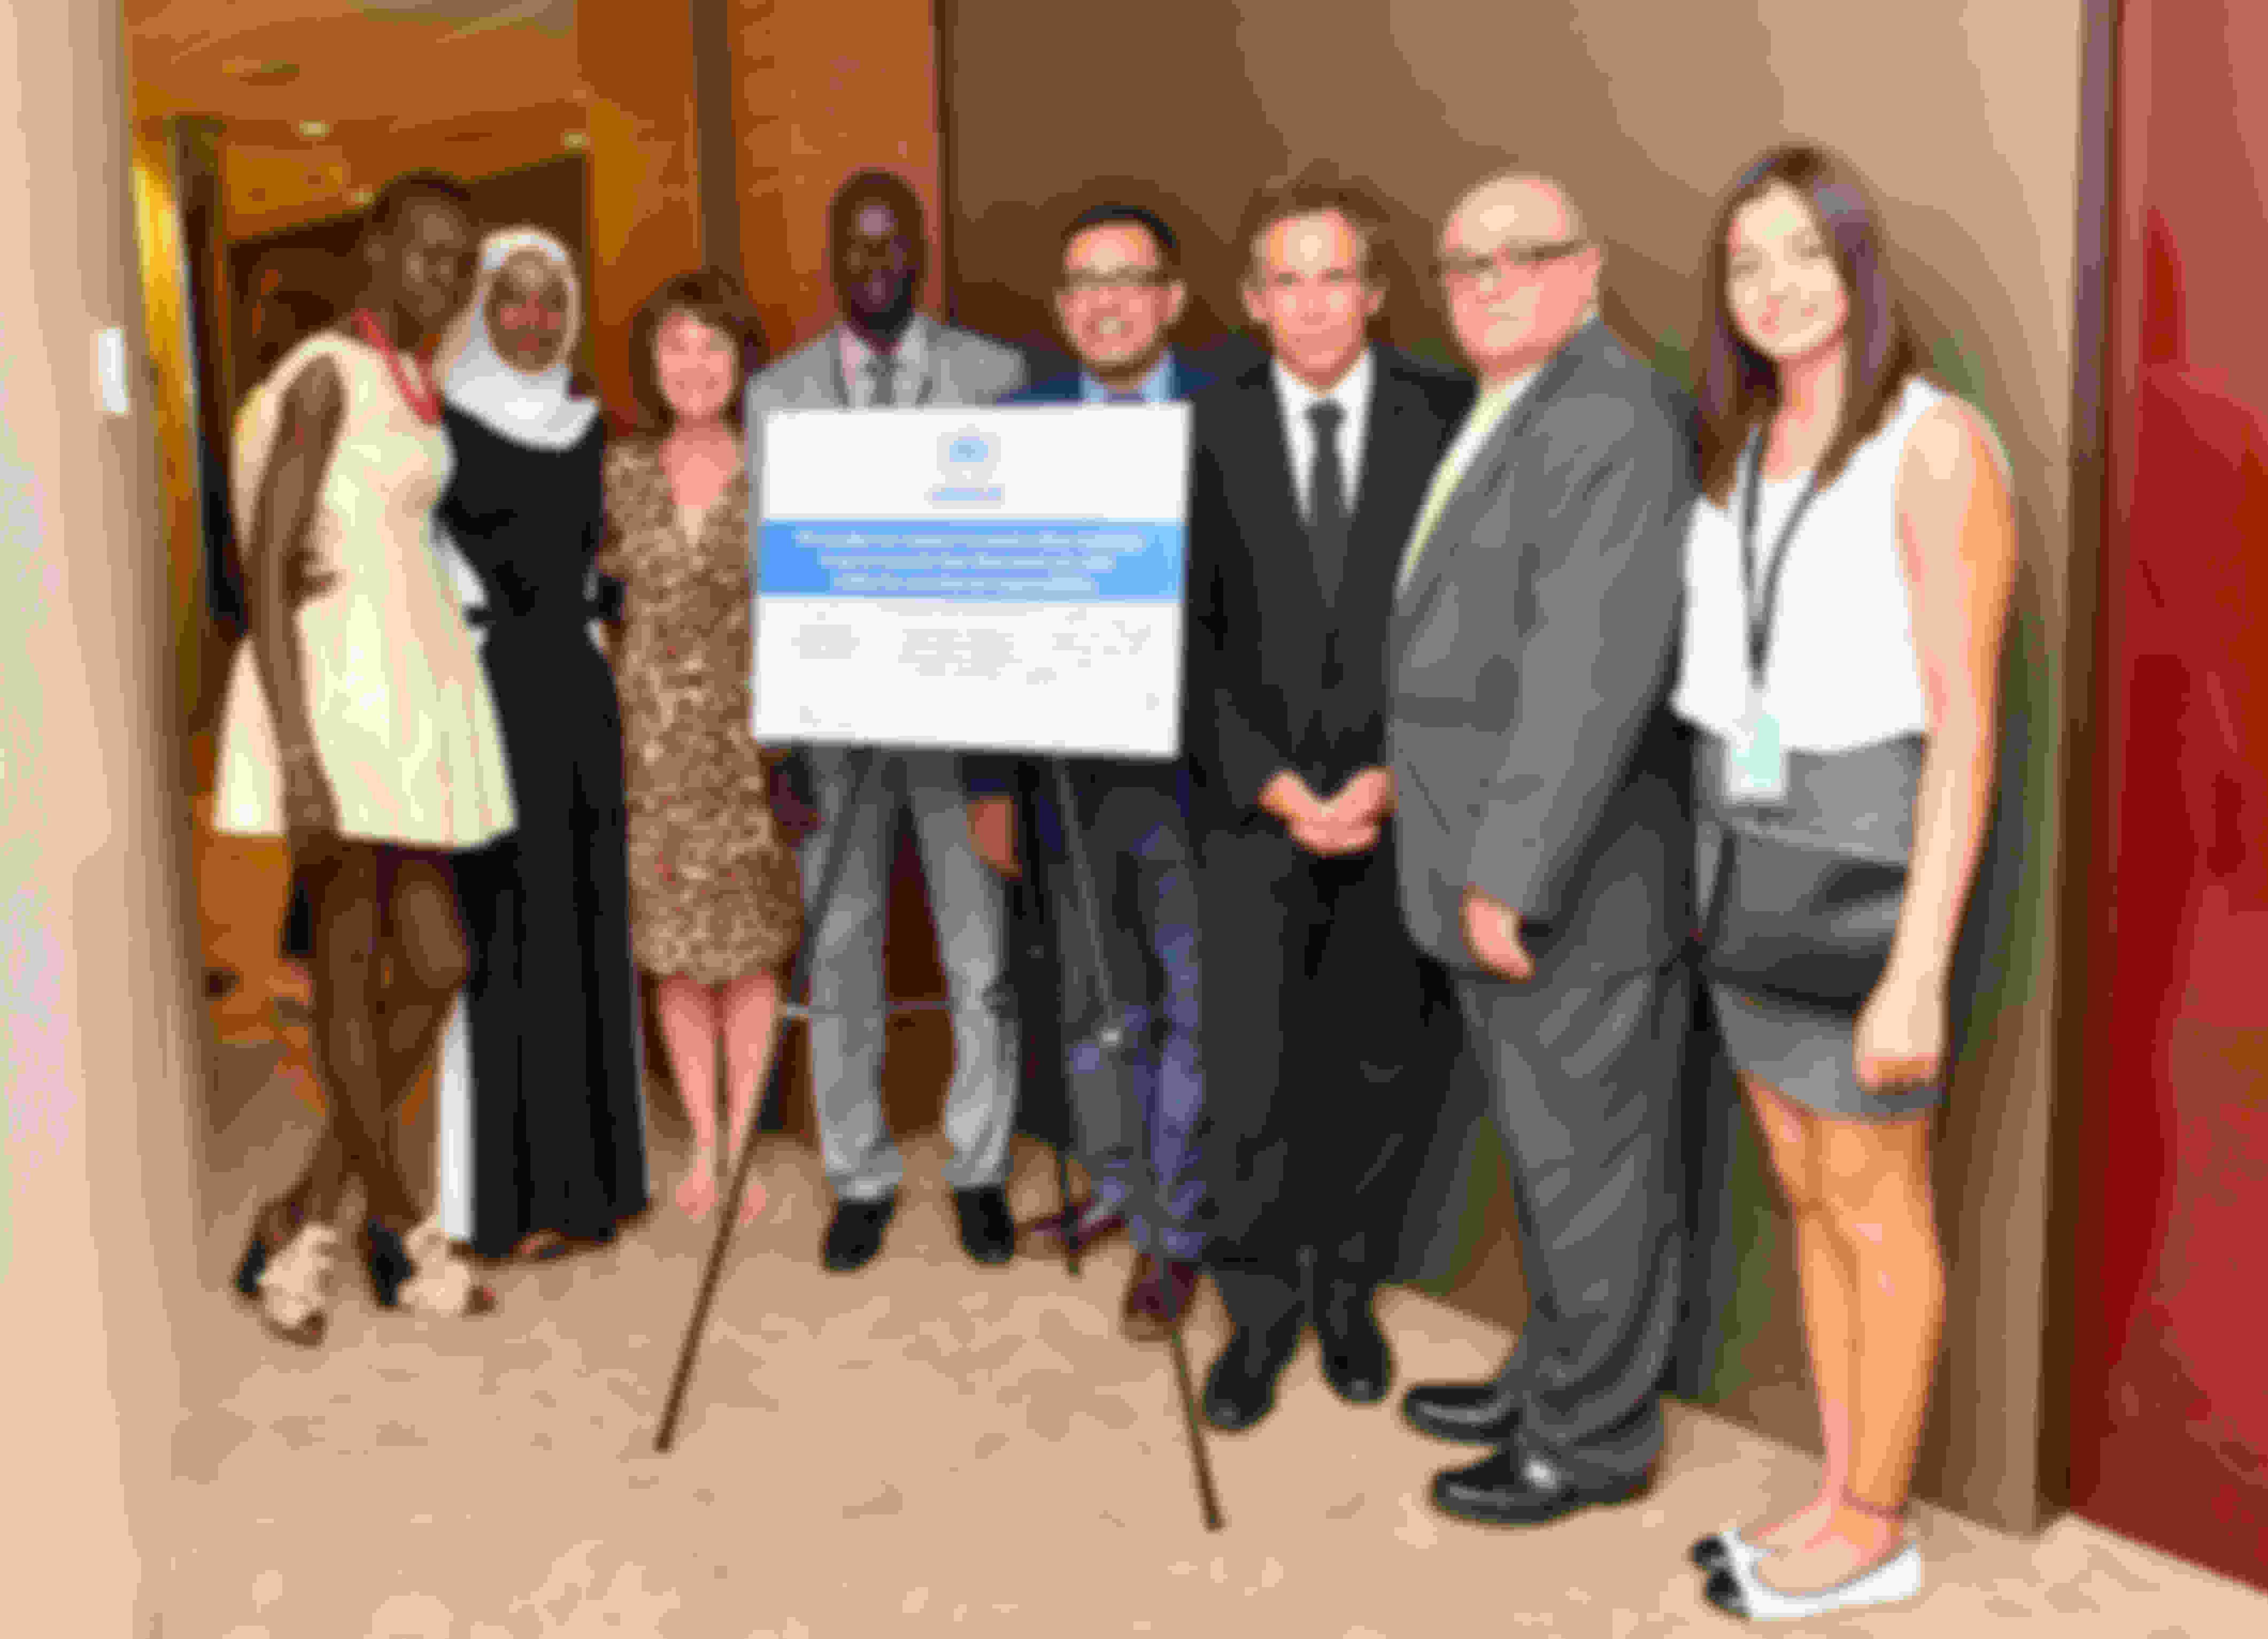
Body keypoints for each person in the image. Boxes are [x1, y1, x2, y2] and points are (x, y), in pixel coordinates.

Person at [1674, 145, 2014, 1621]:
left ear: (1857, 263)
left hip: (1872, 854)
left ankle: (1875, 1527)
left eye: (1803, 252)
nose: (1774, 287)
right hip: (1743, 846)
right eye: (1746, 263)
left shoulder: (1932, 443)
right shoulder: (1742, 447)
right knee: (1806, 1189)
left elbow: (1965, 726)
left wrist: (1920, 964)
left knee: (1877, 1194)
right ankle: (1834, 1486)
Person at [1385, 171, 1699, 1528]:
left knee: (1591, 1173)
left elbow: (1590, 672)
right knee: (1550, 1158)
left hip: (1566, 888)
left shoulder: (1613, 419)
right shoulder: (1520, 403)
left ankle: (1594, 1439)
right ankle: (1548, 1377)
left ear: (1591, 269)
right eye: (1462, 263)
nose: (1487, 280)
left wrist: (1511, 869)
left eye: (1521, 256)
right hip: (1495, 865)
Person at [1183, 165, 1472, 1432]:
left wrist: (1393, 778)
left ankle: (1347, 1291)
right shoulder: (1204, 429)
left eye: (1333, 277)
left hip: (1395, 809)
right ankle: (1256, 1314)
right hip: (1253, 820)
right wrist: (1274, 785)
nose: (1311, 304)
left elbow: (1474, 630)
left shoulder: (1446, 416)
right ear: (1253, 302)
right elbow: (1184, 643)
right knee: (1250, 1077)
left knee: (1373, 1065)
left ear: (1374, 289)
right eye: (1285, 281)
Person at [215, 170, 513, 1344]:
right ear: (377, 244)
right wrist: (294, 748)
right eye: (429, 252)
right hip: (340, 702)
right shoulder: (328, 378)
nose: (444, 277)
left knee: (436, 961)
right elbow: (267, 561)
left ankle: (297, 1216)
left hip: (411, 697)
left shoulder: (413, 381)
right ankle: (395, 1227)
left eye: (461, 263)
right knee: (349, 968)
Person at [744, 168, 1028, 1272]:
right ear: (833, 260)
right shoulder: (779, 395)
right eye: (855, 249)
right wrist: (779, 741)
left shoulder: (995, 378)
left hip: (963, 723)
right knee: (844, 954)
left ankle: (979, 1167)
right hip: (836, 725)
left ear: (920, 253)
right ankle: (858, 1174)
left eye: (893, 245)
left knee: (979, 962)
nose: (876, 266)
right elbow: (773, 575)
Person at [965, 202, 1212, 1338]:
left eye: (1128, 279)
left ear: (1169, 297)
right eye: (1082, 286)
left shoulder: (1232, 417)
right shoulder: (1017, 426)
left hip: (1194, 783)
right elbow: (983, 614)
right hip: (1063, 781)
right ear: (1062, 312)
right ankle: (1116, 1187)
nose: (1105, 302)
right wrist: (983, 782)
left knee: (1189, 1011)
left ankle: (1176, 1235)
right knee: (1091, 1011)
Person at [425, 225, 649, 1261]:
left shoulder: (593, 422)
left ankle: (590, 1183)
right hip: (485, 694)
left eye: (551, 298)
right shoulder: (442, 423)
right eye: (510, 298)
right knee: (500, 935)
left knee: (587, 925)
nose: (532, 319)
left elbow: (603, 560)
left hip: (577, 691)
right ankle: (501, 1200)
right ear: (482, 305)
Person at [599, 268, 804, 1227]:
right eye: (676, 345)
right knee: (678, 955)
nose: (694, 364)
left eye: (712, 345)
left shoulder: (780, 472)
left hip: (749, 747)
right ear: (651, 359)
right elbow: (590, 605)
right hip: (652, 750)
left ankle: (745, 1135)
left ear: (741, 360)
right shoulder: (620, 474)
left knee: (751, 952)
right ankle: (704, 1141)